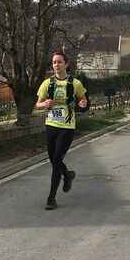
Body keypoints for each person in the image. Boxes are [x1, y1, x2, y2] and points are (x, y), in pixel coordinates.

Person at [36, 50, 88, 210]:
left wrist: (83, 104)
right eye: (54, 62)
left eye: (59, 62)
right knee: (53, 160)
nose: (56, 65)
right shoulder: (47, 84)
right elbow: (38, 104)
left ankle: (51, 198)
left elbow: (84, 100)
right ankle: (68, 174)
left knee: (57, 159)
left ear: (66, 64)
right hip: (51, 125)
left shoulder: (75, 83)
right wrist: (44, 104)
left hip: (67, 127)